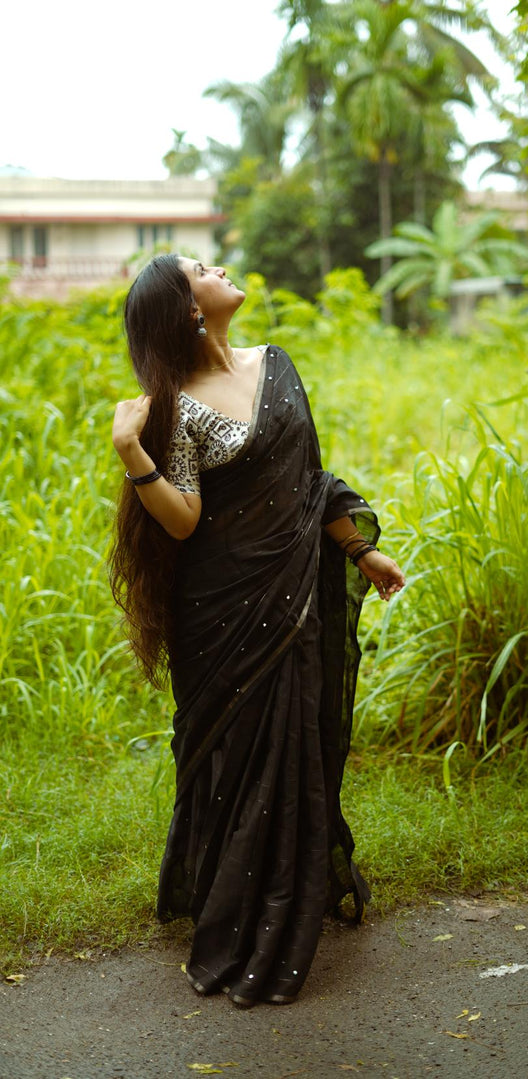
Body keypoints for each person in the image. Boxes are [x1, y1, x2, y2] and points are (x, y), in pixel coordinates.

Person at [110, 253, 405, 1008]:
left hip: (290, 596)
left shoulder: (275, 364)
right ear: (187, 307)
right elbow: (183, 518)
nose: (224, 268)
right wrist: (132, 452)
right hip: (222, 612)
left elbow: (308, 483)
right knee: (235, 759)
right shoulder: (175, 403)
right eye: (204, 268)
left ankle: (287, 899)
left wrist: (360, 548)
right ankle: (234, 909)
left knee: (292, 749)